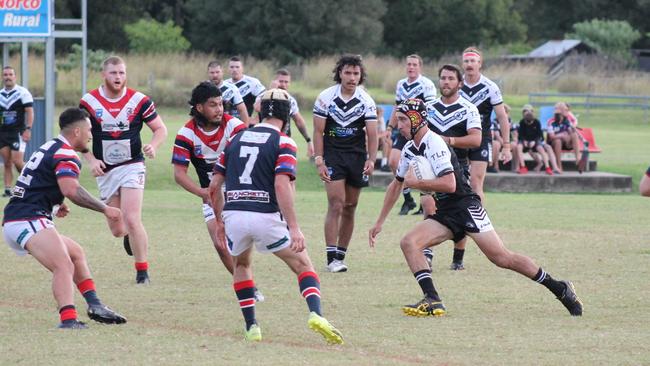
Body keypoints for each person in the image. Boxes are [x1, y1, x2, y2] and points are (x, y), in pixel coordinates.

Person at [368, 98, 583, 318]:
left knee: (502, 258)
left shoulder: (435, 144)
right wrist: (379, 222)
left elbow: (450, 184)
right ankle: (432, 299)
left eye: (403, 120)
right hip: (446, 212)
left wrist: (417, 184)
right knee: (409, 242)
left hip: (466, 206)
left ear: (417, 120)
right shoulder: (409, 149)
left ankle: (559, 287)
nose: (399, 125)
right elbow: (396, 184)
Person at [208, 88, 343, 344]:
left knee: (242, 265)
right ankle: (316, 314)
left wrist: (219, 221)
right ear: (287, 115)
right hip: (265, 215)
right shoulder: (284, 142)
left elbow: (214, 186)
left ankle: (252, 327)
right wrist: (294, 227)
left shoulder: (235, 139)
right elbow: (281, 185)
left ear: (259, 111)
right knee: (303, 266)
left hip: (234, 214)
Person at [2, 108, 127, 329]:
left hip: (22, 218)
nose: (91, 135)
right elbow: (71, 189)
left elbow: (38, 179)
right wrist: (105, 208)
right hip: (27, 219)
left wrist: (55, 202)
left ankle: (95, 304)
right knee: (63, 265)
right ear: (77, 131)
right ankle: (68, 320)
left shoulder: (51, 146)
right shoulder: (67, 154)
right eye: (89, 130)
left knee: (75, 252)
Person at [171, 81, 266, 301]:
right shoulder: (186, 133)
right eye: (213, 105)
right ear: (199, 107)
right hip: (211, 194)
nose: (219, 109)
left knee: (241, 240)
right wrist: (202, 192)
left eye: (221, 104)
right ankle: (247, 285)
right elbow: (179, 174)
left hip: (238, 190)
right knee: (220, 244)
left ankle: (247, 282)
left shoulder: (235, 127)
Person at [79, 56, 168, 284]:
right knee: (117, 228)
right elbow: (78, 137)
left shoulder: (139, 100)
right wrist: (91, 160)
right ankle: (127, 236)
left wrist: (153, 145)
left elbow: (160, 129)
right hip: (106, 170)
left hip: (132, 165)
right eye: (113, 73)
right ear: (103, 75)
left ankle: (142, 273)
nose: (118, 77)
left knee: (132, 217)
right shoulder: (89, 102)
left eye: (121, 73)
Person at [313, 54, 378, 273]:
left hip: (357, 157)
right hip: (333, 155)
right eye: (348, 72)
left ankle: (340, 256)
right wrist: (319, 160)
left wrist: (371, 158)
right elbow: (319, 131)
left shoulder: (366, 100)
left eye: (356, 73)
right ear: (340, 73)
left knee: (350, 206)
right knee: (336, 202)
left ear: (361, 76)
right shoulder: (325, 98)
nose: (352, 77)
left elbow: (372, 133)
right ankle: (331, 258)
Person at [426, 64, 481, 270]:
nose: (446, 82)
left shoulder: (468, 109)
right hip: (431, 167)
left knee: (461, 212)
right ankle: (427, 253)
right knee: (428, 204)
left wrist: (447, 140)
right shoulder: (429, 108)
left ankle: (458, 258)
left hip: (458, 168)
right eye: (443, 78)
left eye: (450, 78)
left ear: (459, 83)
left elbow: (476, 140)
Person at [386, 54, 437, 215]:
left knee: (425, 167)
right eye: (409, 64)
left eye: (415, 64)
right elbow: (397, 107)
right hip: (404, 130)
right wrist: (389, 127)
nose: (411, 67)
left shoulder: (426, 84)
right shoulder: (401, 84)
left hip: (421, 131)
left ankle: (428, 200)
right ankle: (408, 199)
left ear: (420, 67)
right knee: (394, 161)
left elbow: (430, 109)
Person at [460, 47, 512, 199]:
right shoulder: (456, 84)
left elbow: (502, 117)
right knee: (457, 183)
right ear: (462, 64)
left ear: (480, 64)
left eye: (473, 61)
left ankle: (479, 222)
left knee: (476, 184)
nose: (469, 64)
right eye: (466, 61)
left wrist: (507, 146)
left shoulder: (490, 87)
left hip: (481, 139)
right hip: (458, 139)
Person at [253, 69, 314, 157]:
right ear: (274, 81)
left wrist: (308, 141)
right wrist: (271, 90)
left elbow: (299, 121)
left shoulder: (290, 100)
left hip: (283, 140)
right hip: (264, 140)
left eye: (286, 82)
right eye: (281, 81)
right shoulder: (264, 95)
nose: (284, 84)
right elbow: (257, 108)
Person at [0, 66, 34, 197]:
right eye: (5, 75)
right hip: (3, 133)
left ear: (14, 76)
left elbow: (30, 112)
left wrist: (28, 129)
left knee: (17, 161)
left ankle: (31, 183)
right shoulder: (1, 94)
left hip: (17, 132)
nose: (8, 77)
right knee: (7, 162)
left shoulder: (22, 93)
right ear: (2, 77)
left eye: (10, 74)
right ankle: (8, 189)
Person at [207, 61, 250, 126]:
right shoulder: (202, 89)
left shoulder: (232, 88)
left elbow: (242, 110)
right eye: (212, 73)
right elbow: (194, 112)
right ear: (208, 73)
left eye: (217, 72)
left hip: (227, 127)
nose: (215, 75)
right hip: (208, 128)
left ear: (222, 72)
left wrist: (245, 130)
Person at [226, 56, 266, 127]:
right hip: (229, 126)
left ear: (242, 68)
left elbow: (266, 98)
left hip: (246, 126)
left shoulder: (252, 82)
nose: (234, 69)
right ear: (228, 69)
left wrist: (256, 119)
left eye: (237, 67)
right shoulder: (225, 84)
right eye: (232, 67)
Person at [516, 106, 553, 175]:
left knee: (540, 148)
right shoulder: (522, 122)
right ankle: (523, 167)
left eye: (530, 123)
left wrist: (534, 141)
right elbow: (520, 135)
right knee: (519, 147)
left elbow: (539, 135)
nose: (529, 124)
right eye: (527, 123)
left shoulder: (537, 122)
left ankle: (547, 167)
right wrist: (524, 141)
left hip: (535, 140)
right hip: (525, 140)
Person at [546, 102, 581, 173]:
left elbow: (570, 131)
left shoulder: (567, 120)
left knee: (574, 134)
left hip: (566, 143)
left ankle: (578, 159)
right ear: (561, 112)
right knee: (558, 141)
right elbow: (551, 137)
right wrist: (560, 135)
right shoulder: (551, 121)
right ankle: (559, 166)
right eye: (566, 110)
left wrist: (569, 133)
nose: (568, 112)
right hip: (554, 143)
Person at [487, 104, 512, 173]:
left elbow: (515, 134)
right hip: (499, 141)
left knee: (516, 145)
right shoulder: (494, 122)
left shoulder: (510, 121)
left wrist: (508, 144)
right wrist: (505, 144)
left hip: (507, 141)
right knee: (496, 144)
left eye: (506, 112)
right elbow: (496, 136)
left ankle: (516, 167)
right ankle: (493, 165)